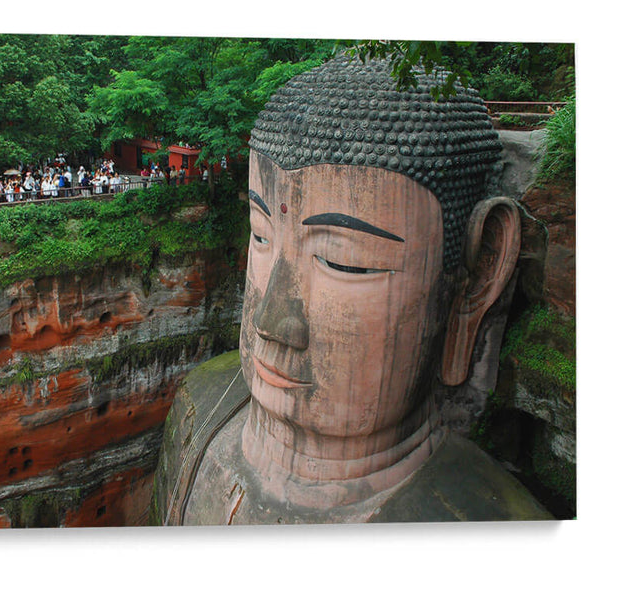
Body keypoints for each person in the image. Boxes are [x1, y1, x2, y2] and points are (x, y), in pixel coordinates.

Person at [152, 56, 552, 526]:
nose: (270, 321)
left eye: (344, 261)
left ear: (478, 277)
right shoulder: (198, 408)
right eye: (260, 235)